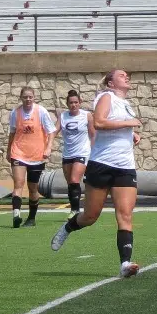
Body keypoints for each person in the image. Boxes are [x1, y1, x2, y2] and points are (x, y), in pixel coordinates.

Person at [50, 69, 143, 278]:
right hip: (101, 164)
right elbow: (99, 122)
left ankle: (125, 263)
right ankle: (68, 227)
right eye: (121, 75)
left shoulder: (125, 104)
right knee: (91, 216)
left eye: (127, 75)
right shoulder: (106, 97)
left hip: (125, 166)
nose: (126, 76)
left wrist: (132, 134)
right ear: (110, 83)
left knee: (125, 215)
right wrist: (129, 124)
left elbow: (116, 126)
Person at [6, 86, 57, 228]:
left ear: (34, 98)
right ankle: (16, 215)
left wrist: (48, 147)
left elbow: (51, 131)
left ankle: (31, 218)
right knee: (18, 184)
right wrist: (8, 150)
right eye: (25, 97)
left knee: (33, 188)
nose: (28, 99)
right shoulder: (15, 113)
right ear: (21, 98)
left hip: (37, 155)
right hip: (19, 153)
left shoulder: (41, 111)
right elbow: (12, 133)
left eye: (30, 97)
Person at [55, 90, 95, 218]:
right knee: (71, 184)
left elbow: (93, 134)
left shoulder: (86, 115)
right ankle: (74, 208)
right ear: (67, 104)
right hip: (67, 154)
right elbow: (54, 130)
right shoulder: (63, 116)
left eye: (76, 102)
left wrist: (93, 151)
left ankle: (75, 211)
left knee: (74, 179)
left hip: (82, 152)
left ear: (80, 103)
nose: (73, 105)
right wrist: (46, 139)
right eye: (71, 103)